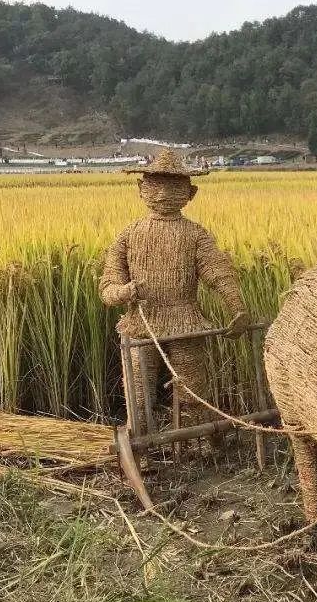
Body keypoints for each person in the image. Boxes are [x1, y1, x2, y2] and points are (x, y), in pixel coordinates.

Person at [99, 149, 249, 441]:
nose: (165, 193)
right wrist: (124, 292)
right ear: (141, 189)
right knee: (139, 392)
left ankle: (195, 442)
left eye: (175, 186)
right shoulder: (129, 235)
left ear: (191, 193)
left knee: (192, 387)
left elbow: (217, 273)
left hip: (185, 320)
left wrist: (237, 308)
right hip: (141, 323)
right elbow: (107, 286)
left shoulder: (196, 235)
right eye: (156, 185)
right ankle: (140, 440)